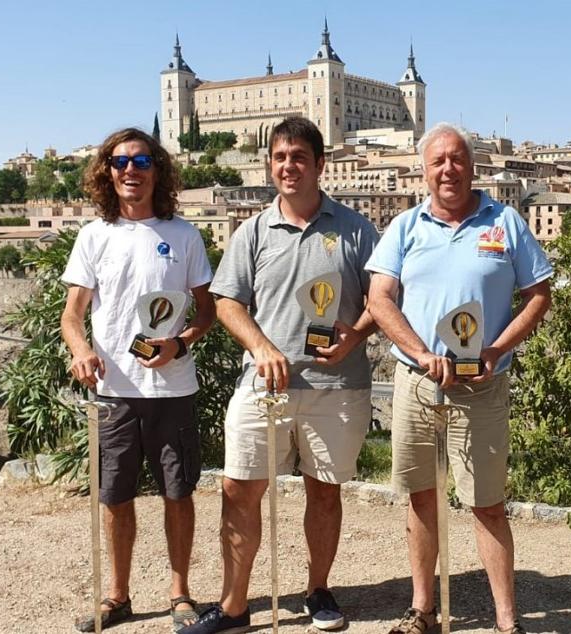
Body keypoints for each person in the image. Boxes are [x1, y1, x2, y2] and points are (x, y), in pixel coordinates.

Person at [182, 116, 379, 634]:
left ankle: (318, 590)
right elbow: (226, 303)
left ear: (320, 164)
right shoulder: (251, 232)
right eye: (279, 158)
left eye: (298, 157)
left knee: (324, 492)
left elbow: (382, 300)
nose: (288, 166)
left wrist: (354, 336)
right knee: (237, 489)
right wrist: (262, 346)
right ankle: (233, 606)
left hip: (337, 388)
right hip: (261, 386)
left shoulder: (356, 230)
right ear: (269, 166)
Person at [365, 122, 553, 634]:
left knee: (488, 504)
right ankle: (422, 610)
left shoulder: (506, 222)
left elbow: (538, 296)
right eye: (437, 161)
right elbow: (379, 300)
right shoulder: (405, 227)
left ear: (472, 166)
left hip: (483, 385)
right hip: (417, 382)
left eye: (456, 159)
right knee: (420, 497)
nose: (448, 169)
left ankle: (506, 622)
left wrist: (496, 349)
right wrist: (421, 353)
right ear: (424, 171)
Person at [61, 127, 215, 632]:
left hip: (172, 388)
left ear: (157, 170)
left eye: (142, 162)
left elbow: (208, 312)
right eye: (121, 161)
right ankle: (118, 596)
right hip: (114, 391)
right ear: (107, 171)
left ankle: (180, 594)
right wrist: (82, 350)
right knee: (114, 497)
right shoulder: (94, 236)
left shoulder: (184, 235)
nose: (131, 170)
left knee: (178, 492)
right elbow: (72, 316)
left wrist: (180, 343)